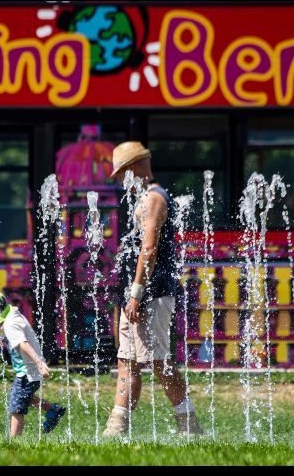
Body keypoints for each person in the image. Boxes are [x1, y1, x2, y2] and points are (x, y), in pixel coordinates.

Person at [102, 141, 202, 437]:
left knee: (159, 362)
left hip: (151, 294)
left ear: (133, 169)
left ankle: (190, 426)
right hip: (139, 294)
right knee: (127, 361)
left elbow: (149, 248)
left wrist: (136, 294)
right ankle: (116, 429)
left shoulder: (154, 198)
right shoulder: (143, 198)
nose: (121, 182)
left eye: (121, 175)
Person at [0, 290, 66, 438]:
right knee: (22, 397)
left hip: (28, 372)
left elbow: (23, 344)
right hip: (28, 370)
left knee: (16, 406)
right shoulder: (13, 316)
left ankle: (14, 440)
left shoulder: (10, 324)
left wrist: (39, 363)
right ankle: (53, 410)